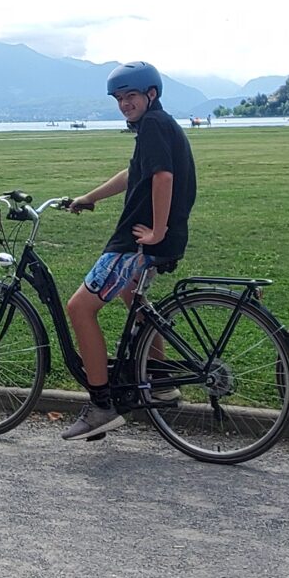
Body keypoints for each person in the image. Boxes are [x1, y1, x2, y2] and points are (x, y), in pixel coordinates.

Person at [57, 61, 196, 440]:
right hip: (152, 240)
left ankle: (101, 405)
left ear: (151, 94)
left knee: (79, 308)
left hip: (135, 242)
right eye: (119, 98)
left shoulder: (152, 125)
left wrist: (157, 230)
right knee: (131, 295)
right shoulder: (159, 126)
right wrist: (90, 197)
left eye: (130, 95)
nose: (124, 104)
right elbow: (135, 173)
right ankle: (162, 381)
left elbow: (163, 177)